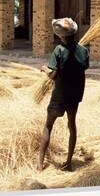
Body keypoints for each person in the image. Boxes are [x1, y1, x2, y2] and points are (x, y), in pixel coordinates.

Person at [37, 17, 89, 172]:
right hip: (75, 95)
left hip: (60, 95)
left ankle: (40, 164)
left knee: (48, 125)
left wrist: (44, 69)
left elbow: (53, 74)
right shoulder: (83, 50)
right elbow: (84, 67)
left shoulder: (59, 50)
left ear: (60, 36)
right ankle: (69, 162)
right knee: (72, 125)